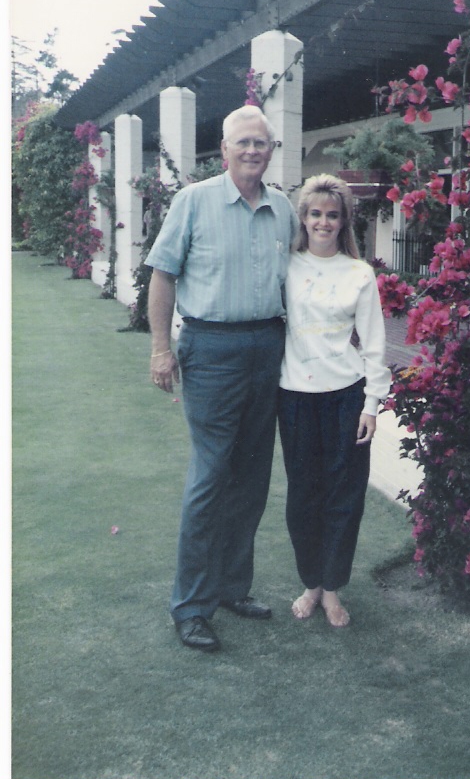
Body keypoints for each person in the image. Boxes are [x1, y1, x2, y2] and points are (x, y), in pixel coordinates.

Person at [146, 105, 298, 652]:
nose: (254, 151)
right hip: (211, 349)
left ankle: (234, 587)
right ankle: (191, 605)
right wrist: (162, 349)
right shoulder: (194, 201)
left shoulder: (283, 209)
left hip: (267, 347)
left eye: (262, 143)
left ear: (271, 150)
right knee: (211, 478)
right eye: (244, 143)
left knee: (253, 479)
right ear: (225, 148)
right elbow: (163, 276)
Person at [278, 174, 391, 628]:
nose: (323, 222)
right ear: (303, 219)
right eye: (315, 214)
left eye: (332, 214)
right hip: (296, 397)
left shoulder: (359, 274)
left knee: (345, 497)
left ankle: (332, 589)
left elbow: (375, 345)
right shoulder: (286, 266)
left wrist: (371, 405)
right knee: (304, 495)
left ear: (344, 221)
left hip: (346, 397)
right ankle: (311, 583)